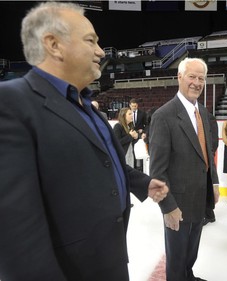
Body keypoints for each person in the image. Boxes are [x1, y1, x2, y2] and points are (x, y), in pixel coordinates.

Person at [0, 2, 168, 281]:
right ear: (54, 45)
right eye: (91, 40)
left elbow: (102, 164)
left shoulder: (89, 108)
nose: (101, 51)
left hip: (110, 261)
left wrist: (142, 182)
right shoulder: (11, 103)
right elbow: (15, 232)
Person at [149, 57, 220, 281]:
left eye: (201, 78)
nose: (197, 82)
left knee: (190, 254)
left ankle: (188, 276)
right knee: (177, 259)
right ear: (179, 77)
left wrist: (214, 183)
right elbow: (157, 170)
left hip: (201, 197)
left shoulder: (204, 114)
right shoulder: (164, 116)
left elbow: (208, 153)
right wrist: (168, 206)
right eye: (192, 76)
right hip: (177, 203)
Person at [203, 111, 219, 225]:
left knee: (206, 185)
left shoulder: (210, 118)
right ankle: (208, 214)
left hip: (206, 157)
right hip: (198, 157)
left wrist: (209, 153)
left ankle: (209, 214)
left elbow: (214, 141)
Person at [129, 98, 147, 171]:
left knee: (140, 151)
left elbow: (146, 124)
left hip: (139, 135)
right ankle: (133, 167)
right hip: (130, 134)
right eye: (132, 106)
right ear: (130, 105)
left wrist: (143, 130)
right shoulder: (128, 113)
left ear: (137, 105)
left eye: (135, 106)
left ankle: (141, 167)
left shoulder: (142, 113)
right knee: (132, 151)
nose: (134, 107)